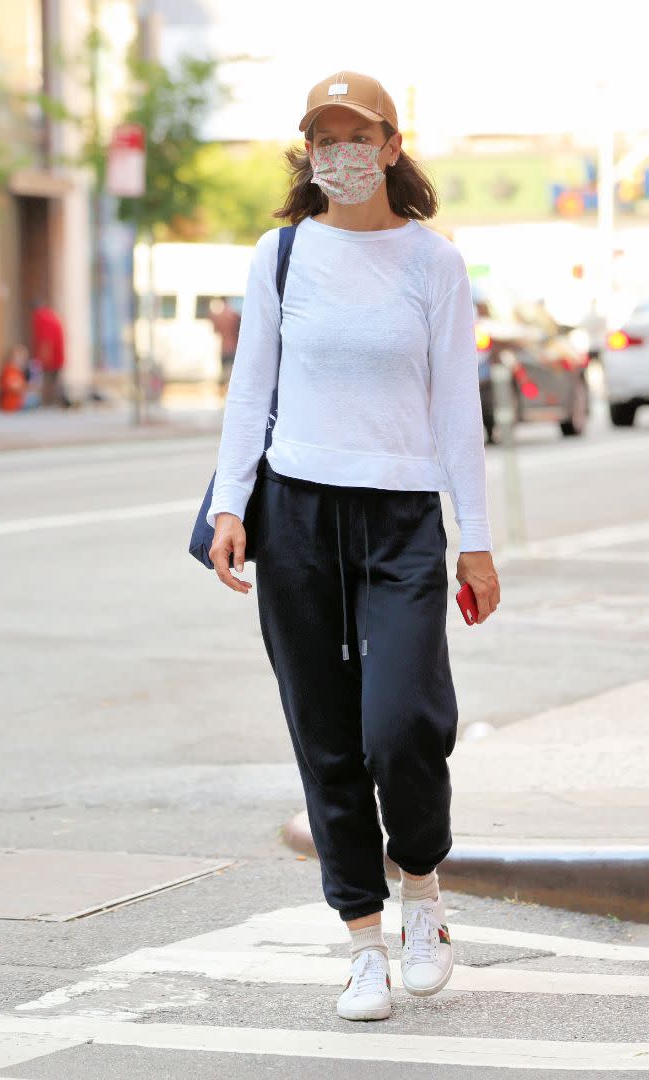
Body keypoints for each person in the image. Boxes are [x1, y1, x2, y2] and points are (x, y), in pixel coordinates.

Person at [206, 71, 500, 1022]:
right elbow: (250, 391)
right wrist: (231, 506)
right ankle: (362, 942)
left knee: (402, 724)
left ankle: (423, 891)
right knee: (326, 736)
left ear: (389, 145)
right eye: (321, 139)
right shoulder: (281, 255)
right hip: (296, 513)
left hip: (402, 517)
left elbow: (459, 412)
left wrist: (477, 542)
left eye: (354, 135)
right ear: (309, 153)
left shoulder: (433, 264)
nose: (337, 153)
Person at [31, 299, 66, 407]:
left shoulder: (42, 317)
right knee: (54, 379)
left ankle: (49, 401)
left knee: (49, 379)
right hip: (57, 355)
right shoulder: (50, 316)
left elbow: (46, 340)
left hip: (51, 357)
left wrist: (42, 358)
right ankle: (53, 400)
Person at [209, 298, 241, 391]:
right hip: (233, 348)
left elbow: (216, 330)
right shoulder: (234, 315)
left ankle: (223, 392)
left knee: (225, 371)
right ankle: (228, 391)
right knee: (231, 372)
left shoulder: (219, 316)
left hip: (224, 348)